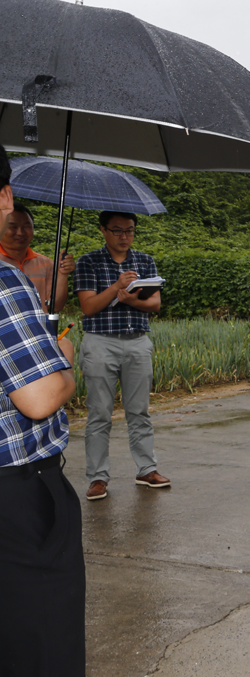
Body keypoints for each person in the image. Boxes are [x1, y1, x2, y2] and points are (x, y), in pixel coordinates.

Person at [0, 145, 85, 677]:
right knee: (40, 643)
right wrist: (66, 364)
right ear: (5, 196)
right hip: (18, 497)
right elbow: (38, 398)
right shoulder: (5, 280)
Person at [75, 210, 168, 501]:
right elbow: (88, 307)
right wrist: (116, 287)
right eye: (117, 230)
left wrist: (131, 300)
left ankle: (146, 469)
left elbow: (155, 304)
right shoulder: (88, 261)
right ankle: (98, 477)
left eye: (129, 230)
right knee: (100, 412)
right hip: (100, 342)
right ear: (103, 230)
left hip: (137, 341)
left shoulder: (144, 261)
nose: (124, 236)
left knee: (139, 411)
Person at [0, 202, 75, 313]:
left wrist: (63, 274)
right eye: (13, 227)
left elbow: (55, 306)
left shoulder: (46, 263)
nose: (20, 232)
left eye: (27, 226)